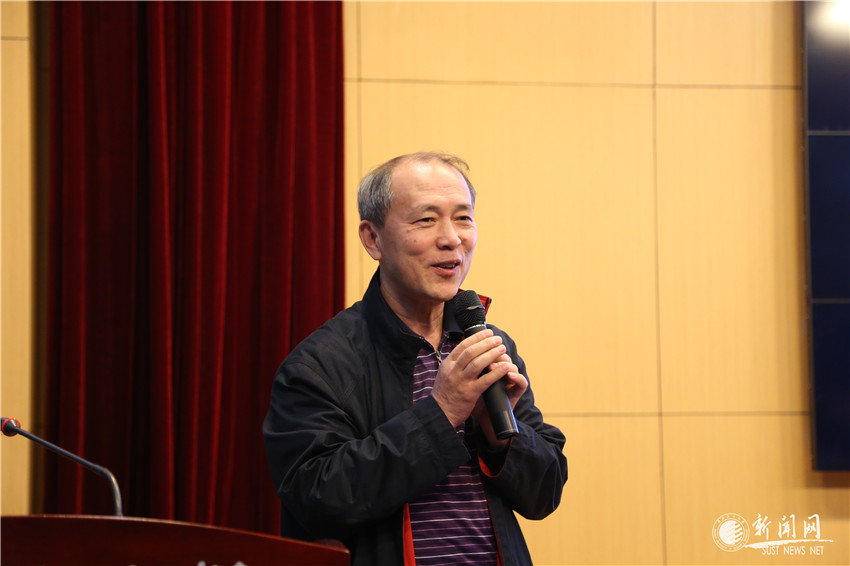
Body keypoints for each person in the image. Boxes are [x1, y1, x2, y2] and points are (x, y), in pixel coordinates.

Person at [263, 152, 567, 565]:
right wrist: (441, 413)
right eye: (426, 220)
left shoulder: (484, 343)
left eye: (463, 218)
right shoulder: (320, 364)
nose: (452, 239)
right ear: (373, 239)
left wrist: (500, 437)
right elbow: (315, 499)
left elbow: (544, 494)